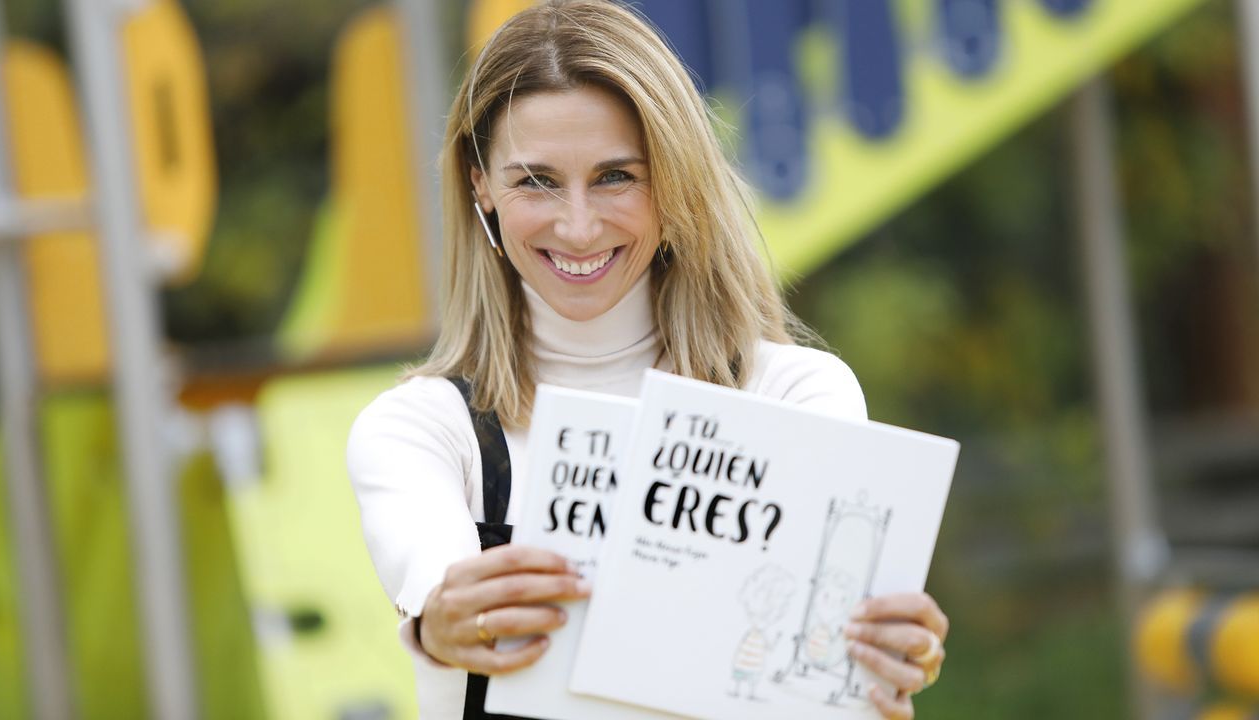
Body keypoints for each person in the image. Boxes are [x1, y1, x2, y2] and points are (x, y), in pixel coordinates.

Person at [346, 2, 948, 718]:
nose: (577, 225)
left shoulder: (794, 393)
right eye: (536, 181)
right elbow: (437, 588)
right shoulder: (422, 430)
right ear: (480, 183)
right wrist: (443, 622)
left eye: (615, 177)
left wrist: (873, 668)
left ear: (673, 175)